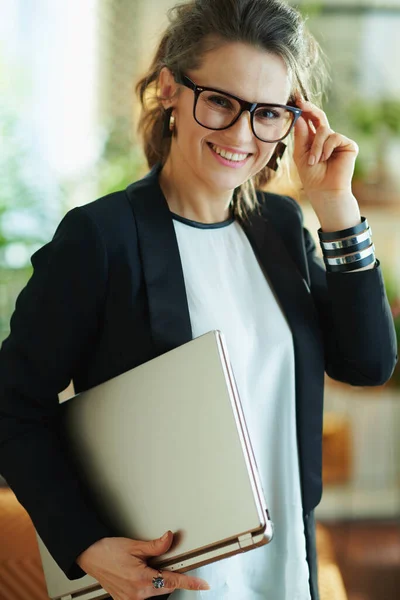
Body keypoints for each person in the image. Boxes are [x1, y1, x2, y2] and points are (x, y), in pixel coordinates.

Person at [0, 0, 397, 599]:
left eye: (268, 113)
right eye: (219, 101)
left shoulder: (282, 228)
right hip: (166, 586)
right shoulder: (102, 239)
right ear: (169, 90)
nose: (241, 134)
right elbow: (12, 405)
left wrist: (337, 208)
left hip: (287, 576)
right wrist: (85, 544)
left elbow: (367, 363)